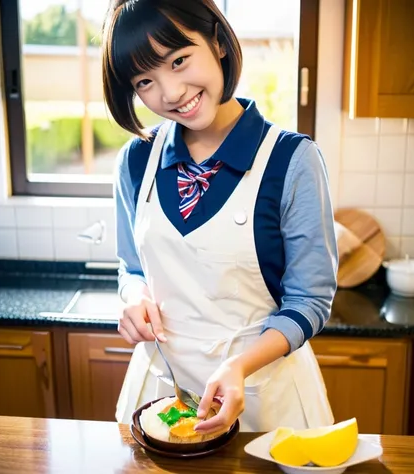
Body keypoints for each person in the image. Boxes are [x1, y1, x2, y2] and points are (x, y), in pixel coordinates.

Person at [103, 0, 338, 435]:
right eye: (145, 80)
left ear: (217, 41)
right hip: (159, 393)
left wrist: (239, 365)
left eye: (179, 60)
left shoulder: (292, 160)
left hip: (265, 399)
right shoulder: (136, 162)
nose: (170, 93)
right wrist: (133, 299)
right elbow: (132, 267)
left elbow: (309, 300)